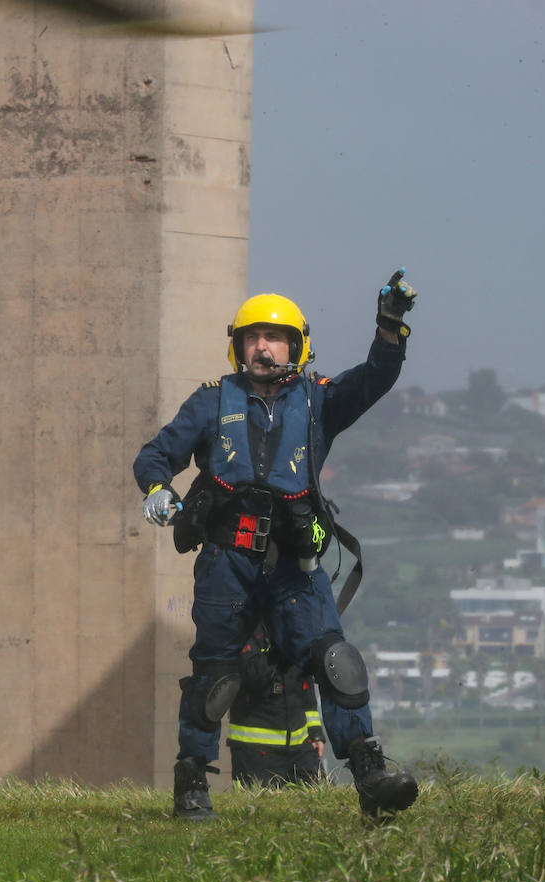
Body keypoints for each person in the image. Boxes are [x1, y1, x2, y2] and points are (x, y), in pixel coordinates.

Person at [132, 271, 420, 822]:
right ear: (238, 346)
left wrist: (390, 326)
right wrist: (156, 490)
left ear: (297, 346)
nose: (262, 347)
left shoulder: (320, 401)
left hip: (296, 564)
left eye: (275, 337)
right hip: (226, 563)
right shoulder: (212, 401)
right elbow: (155, 455)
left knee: (334, 660)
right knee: (214, 674)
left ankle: (369, 773)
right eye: (252, 338)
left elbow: (376, 378)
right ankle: (191, 782)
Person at [228, 624, 325, 789]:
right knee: (263, 811)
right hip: (255, 752)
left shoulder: (293, 629)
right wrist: (279, 649)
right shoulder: (242, 626)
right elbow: (251, 676)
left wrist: (315, 733)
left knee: (316, 806)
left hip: (300, 748)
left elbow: (305, 687)